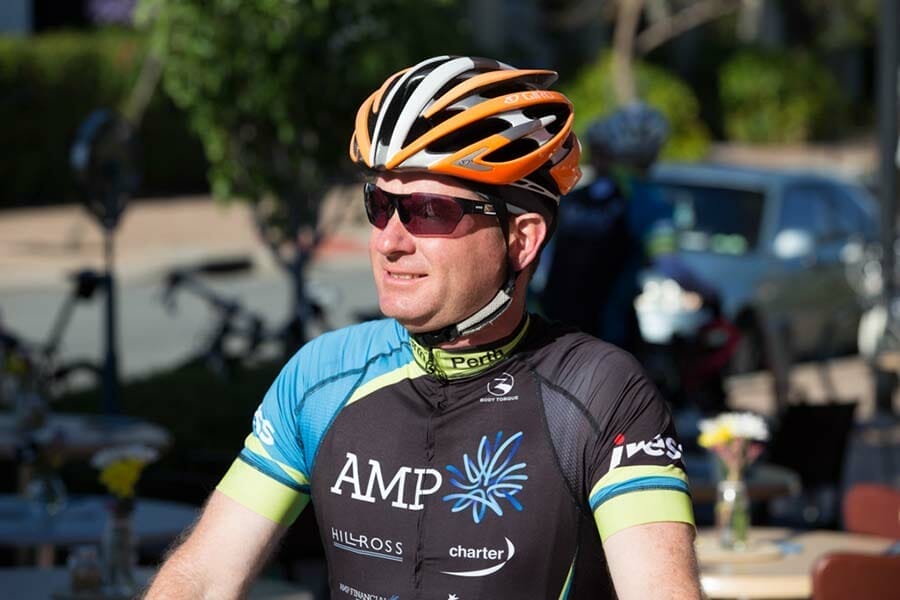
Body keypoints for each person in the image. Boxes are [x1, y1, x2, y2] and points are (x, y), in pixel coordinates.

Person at [146, 55, 701, 600]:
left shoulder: (601, 395)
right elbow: (203, 578)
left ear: (521, 239)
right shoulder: (322, 376)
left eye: (429, 211)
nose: (389, 240)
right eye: (379, 203)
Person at [532, 102, 674, 354]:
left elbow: (540, 263)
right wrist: (708, 291)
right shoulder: (643, 198)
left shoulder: (570, 199)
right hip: (609, 335)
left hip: (552, 331)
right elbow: (670, 264)